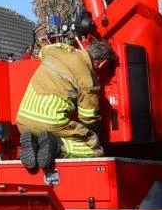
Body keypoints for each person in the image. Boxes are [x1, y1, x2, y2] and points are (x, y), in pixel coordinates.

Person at [17, 39, 118, 170]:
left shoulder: (55, 50)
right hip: (49, 123)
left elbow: (43, 51)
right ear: (102, 63)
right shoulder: (88, 81)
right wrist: (92, 133)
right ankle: (58, 147)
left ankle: (34, 143)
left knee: (43, 134)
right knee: (95, 149)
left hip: (22, 120)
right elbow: (88, 118)